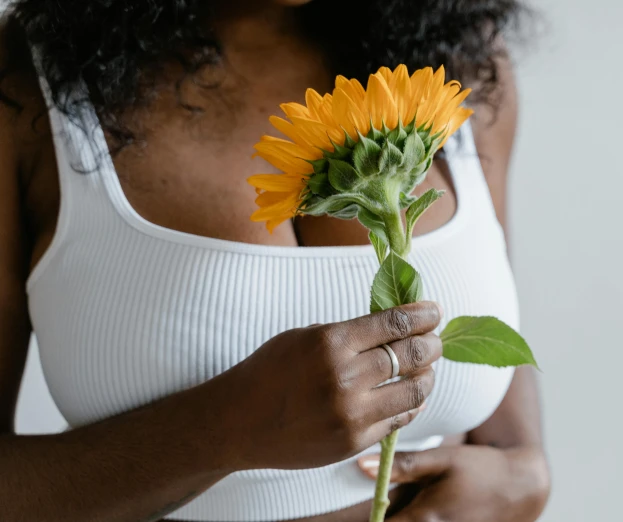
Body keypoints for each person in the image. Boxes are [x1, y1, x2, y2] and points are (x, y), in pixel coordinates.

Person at [0, 0, 550, 520]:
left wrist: (526, 471)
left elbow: (494, 316)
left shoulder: (463, 60)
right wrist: (224, 428)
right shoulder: (25, 89)